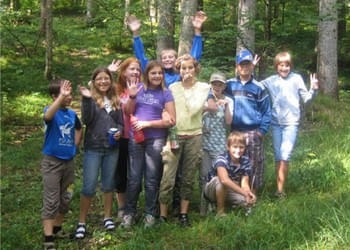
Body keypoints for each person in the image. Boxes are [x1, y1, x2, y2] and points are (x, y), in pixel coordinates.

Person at [120, 61, 176, 228]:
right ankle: (129, 213)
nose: (157, 76)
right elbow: (128, 111)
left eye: (160, 73)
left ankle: (150, 214)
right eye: (153, 73)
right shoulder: (139, 88)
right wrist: (131, 96)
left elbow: (172, 120)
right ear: (147, 75)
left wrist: (148, 124)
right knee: (134, 178)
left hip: (156, 139)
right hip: (136, 139)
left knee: (152, 179)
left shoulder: (166, 93)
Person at [209, 49, 272, 194]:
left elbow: (267, 112)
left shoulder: (259, 87)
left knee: (254, 164)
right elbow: (213, 90)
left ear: (252, 66)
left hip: (253, 132)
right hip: (235, 131)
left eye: (247, 64)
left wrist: (261, 132)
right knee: (236, 163)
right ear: (237, 66)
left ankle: (253, 195)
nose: (244, 67)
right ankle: (238, 195)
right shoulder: (229, 84)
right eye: (241, 64)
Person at [159, 54, 210, 226]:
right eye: (183, 68)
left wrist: (188, 88)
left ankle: (183, 214)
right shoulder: (173, 87)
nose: (186, 71)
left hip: (194, 136)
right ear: (178, 70)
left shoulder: (204, 87)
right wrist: (165, 113)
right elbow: (164, 107)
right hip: (175, 135)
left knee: (188, 178)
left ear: (195, 69)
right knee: (168, 177)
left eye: (189, 67)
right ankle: (163, 216)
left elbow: (194, 109)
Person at [259, 51, 319, 197]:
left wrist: (314, 90)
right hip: (275, 123)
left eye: (287, 65)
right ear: (276, 66)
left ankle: (280, 191)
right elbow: (254, 86)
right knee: (278, 156)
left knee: (285, 155)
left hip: (291, 123)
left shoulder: (296, 79)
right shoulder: (271, 80)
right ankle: (279, 186)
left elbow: (307, 99)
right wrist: (251, 68)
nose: (284, 68)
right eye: (281, 65)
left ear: (290, 66)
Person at [75, 67, 124, 239]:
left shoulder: (115, 99)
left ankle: (108, 217)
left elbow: (120, 122)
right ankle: (82, 222)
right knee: (88, 186)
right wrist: (87, 99)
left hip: (112, 149)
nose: (103, 82)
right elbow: (86, 120)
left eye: (106, 78)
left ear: (110, 81)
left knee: (108, 184)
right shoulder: (89, 98)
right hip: (93, 148)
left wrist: (118, 131)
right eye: (99, 79)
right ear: (94, 82)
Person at [41, 79, 82, 250]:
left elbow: (79, 128)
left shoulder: (72, 114)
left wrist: (75, 145)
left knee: (66, 197)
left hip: (68, 162)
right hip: (52, 162)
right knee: (51, 200)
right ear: (54, 96)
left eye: (70, 93)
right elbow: (47, 116)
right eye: (64, 94)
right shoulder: (51, 111)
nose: (69, 97)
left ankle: (57, 229)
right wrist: (60, 99)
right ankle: (48, 238)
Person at [125, 11, 207, 87]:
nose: (167, 59)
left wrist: (197, 30)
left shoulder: (181, 73)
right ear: (161, 61)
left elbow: (194, 57)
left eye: (170, 57)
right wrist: (136, 33)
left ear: (176, 59)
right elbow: (141, 57)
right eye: (164, 58)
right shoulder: (156, 72)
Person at [199, 72, 233, 216]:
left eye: (220, 84)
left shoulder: (229, 100)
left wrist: (225, 107)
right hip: (204, 144)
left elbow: (228, 121)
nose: (217, 87)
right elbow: (196, 114)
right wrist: (208, 107)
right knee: (203, 176)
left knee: (218, 177)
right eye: (214, 84)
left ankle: (215, 204)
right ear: (210, 85)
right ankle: (203, 208)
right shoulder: (203, 98)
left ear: (224, 86)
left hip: (219, 146)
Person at [113, 57, 142, 221]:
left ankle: (133, 207)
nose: (136, 72)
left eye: (138, 69)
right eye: (132, 69)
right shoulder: (115, 90)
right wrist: (109, 71)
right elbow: (94, 89)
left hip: (138, 137)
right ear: (123, 72)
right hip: (120, 138)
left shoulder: (144, 89)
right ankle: (122, 207)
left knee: (136, 174)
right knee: (121, 173)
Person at [204, 132, 256, 217]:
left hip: (231, 189)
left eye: (241, 147)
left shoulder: (246, 161)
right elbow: (224, 180)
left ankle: (228, 205)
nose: (238, 150)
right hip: (212, 188)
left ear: (245, 148)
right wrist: (244, 193)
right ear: (228, 147)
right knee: (221, 181)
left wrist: (248, 193)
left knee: (248, 201)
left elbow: (244, 183)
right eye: (235, 147)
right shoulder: (221, 158)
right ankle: (220, 212)